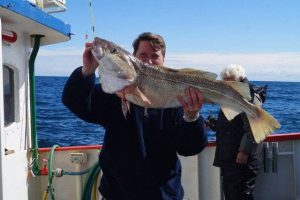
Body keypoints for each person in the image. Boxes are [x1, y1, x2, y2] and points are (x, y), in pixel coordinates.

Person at [62, 32, 208, 200]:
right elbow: (74, 102)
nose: (149, 61)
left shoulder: (177, 100)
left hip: (163, 196)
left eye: (155, 56)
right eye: (143, 55)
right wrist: (86, 72)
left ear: (164, 61)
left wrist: (192, 116)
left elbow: (189, 148)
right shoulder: (112, 93)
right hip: (117, 194)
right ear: (133, 58)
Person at [212, 64, 264, 200]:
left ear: (239, 79)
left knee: (241, 194)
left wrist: (244, 151)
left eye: (231, 80)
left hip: (242, 158)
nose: (227, 84)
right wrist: (215, 126)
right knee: (231, 193)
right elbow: (234, 125)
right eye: (225, 81)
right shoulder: (232, 95)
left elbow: (254, 124)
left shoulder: (249, 96)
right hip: (231, 157)